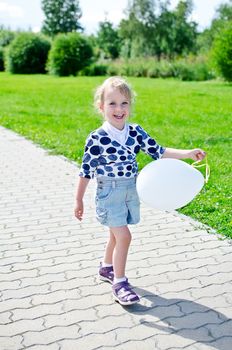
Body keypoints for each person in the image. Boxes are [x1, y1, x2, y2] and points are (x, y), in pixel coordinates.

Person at [74, 76, 206, 306]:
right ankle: (120, 283)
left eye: (124, 103)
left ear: (130, 106)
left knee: (115, 235)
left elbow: (159, 151)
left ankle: (106, 267)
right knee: (124, 236)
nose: (119, 109)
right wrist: (79, 200)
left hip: (130, 191)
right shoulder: (96, 139)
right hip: (109, 193)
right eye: (112, 103)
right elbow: (85, 171)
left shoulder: (135, 132)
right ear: (101, 106)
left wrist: (187, 153)